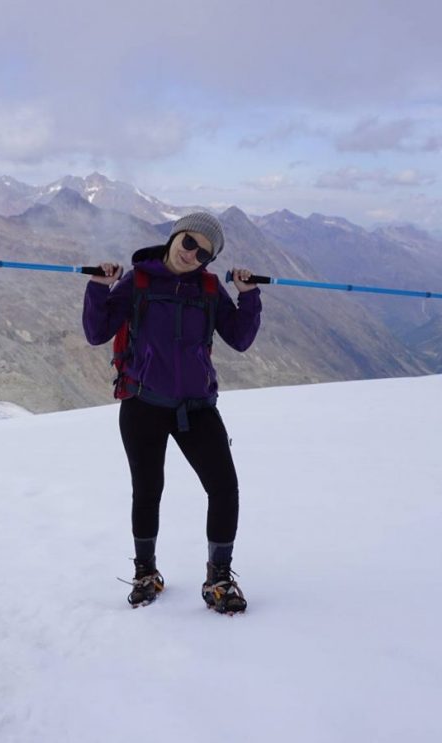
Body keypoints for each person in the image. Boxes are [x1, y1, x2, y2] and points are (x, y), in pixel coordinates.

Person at [82, 212, 262, 614]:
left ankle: (219, 577)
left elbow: (240, 339)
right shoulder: (138, 281)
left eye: (203, 252)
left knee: (224, 488)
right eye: (188, 242)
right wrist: (99, 288)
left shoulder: (211, 288)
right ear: (174, 235)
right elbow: (97, 333)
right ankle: (145, 573)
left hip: (197, 407)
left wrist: (248, 295)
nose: (192, 254)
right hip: (143, 405)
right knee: (147, 491)